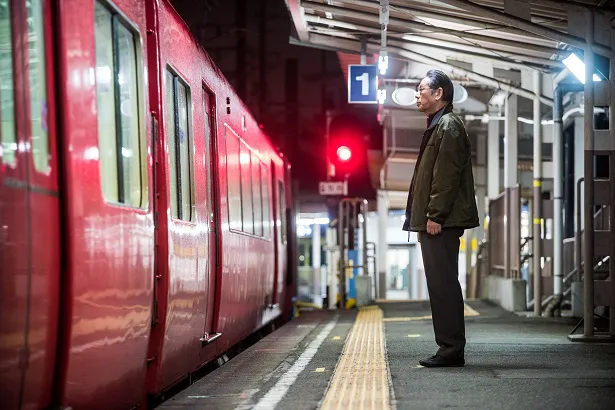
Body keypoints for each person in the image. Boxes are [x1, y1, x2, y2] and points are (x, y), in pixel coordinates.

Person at [402, 69, 479, 368]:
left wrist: (435, 215)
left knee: (444, 284)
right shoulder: (440, 125)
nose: (417, 94)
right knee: (441, 284)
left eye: (422, 89)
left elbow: (445, 176)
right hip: (437, 221)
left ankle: (450, 350)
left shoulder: (448, 125)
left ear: (439, 94)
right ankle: (448, 348)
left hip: (441, 222)